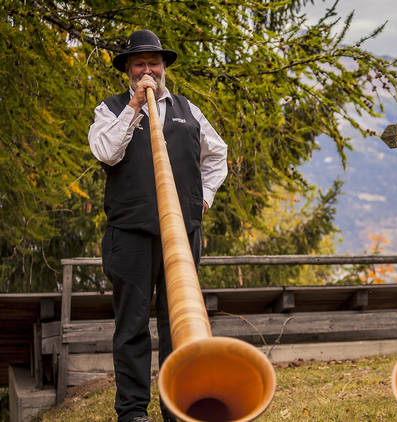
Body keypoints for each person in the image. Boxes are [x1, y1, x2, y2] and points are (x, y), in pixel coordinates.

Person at [88, 30, 228, 422]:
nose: (147, 69)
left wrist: (205, 197)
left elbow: (218, 156)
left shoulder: (188, 109)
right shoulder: (111, 109)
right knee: (131, 325)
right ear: (128, 71)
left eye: (154, 62)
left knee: (178, 327)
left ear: (163, 67)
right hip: (130, 235)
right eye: (139, 64)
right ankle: (132, 411)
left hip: (182, 236)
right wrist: (134, 106)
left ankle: (176, 406)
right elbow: (106, 153)